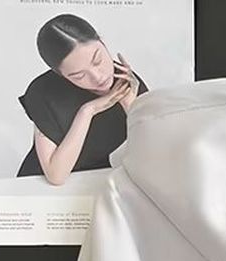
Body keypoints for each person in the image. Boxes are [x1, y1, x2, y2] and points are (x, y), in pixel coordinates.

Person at [16, 14, 148, 184]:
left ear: (102, 42)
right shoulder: (44, 93)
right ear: (61, 75)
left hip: (97, 181)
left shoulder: (125, 80)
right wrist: (87, 111)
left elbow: (157, 152)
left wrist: (130, 105)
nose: (98, 77)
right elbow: (56, 176)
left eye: (98, 60)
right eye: (79, 76)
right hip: (38, 186)